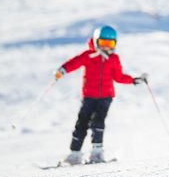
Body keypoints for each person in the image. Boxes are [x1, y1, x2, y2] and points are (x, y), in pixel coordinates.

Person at [54, 25, 147, 164]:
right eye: (103, 43)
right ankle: (74, 155)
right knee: (82, 124)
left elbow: (119, 76)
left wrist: (133, 80)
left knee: (98, 123)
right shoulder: (88, 56)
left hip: (105, 97)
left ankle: (96, 154)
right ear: (96, 41)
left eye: (110, 44)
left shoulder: (113, 59)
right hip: (89, 97)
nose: (106, 47)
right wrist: (62, 70)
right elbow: (74, 63)